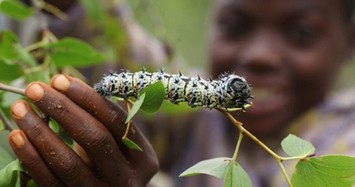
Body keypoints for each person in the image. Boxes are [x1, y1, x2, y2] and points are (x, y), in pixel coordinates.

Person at [7, 0, 355, 186]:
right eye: (234, 27)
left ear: (349, 40)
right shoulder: (199, 120)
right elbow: (112, 43)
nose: (260, 55)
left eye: (302, 33)